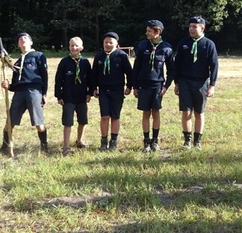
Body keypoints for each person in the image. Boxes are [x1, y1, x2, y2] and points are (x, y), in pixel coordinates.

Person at [174, 16, 219, 149]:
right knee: (186, 112)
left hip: (201, 83)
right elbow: (177, 64)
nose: (191, 29)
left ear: (202, 28)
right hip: (185, 82)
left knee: (199, 112)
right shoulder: (183, 43)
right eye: (190, 26)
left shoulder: (209, 44)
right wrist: (177, 82)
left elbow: (214, 65)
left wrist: (212, 85)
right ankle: (187, 140)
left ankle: (197, 141)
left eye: (194, 27)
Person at [0, 33, 49, 154]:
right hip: (19, 93)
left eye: (25, 38)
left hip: (34, 91)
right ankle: (5, 146)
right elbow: (15, 83)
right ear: (18, 44)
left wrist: (44, 94)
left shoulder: (39, 56)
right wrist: (8, 86)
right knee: (10, 121)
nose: (22, 40)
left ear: (31, 42)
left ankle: (44, 146)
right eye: (20, 39)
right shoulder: (16, 62)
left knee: (38, 122)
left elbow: (45, 75)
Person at [132, 20, 174, 152]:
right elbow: (136, 67)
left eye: (149, 31)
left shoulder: (166, 48)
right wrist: (135, 86)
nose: (146, 33)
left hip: (158, 86)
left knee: (156, 112)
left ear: (157, 32)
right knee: (146, 113)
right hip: (143, 85)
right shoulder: (142, 46)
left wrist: (166, 86)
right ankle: (146, 141)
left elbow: (171, 70)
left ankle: (155, 140)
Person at [91, 31, 133, 151]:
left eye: (110, 42)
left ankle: (113, 141)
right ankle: (103, 141)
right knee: (104, 116)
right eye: (106, 42)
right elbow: (94, 74)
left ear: (116, 43)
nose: (108, 44)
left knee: (115, 116)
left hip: (117, 90)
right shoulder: (99, 56)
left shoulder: (121, 56)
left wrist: (129, 86)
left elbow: (129, 72)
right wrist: (93, 88)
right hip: (103, 90)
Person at [55, 36, 92, 156]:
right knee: (68, 122)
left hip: (82, 97)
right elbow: (58, 80)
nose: (74, 48)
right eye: (72, 45)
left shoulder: (85, 62)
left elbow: (90, 80)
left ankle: (79, 140)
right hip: (68, 97)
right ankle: (66, 146)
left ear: (81, 47)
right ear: (69, 47)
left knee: (83, 120)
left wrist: (89, 93)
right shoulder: (64, 62)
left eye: (76, 46)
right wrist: (59, 96)